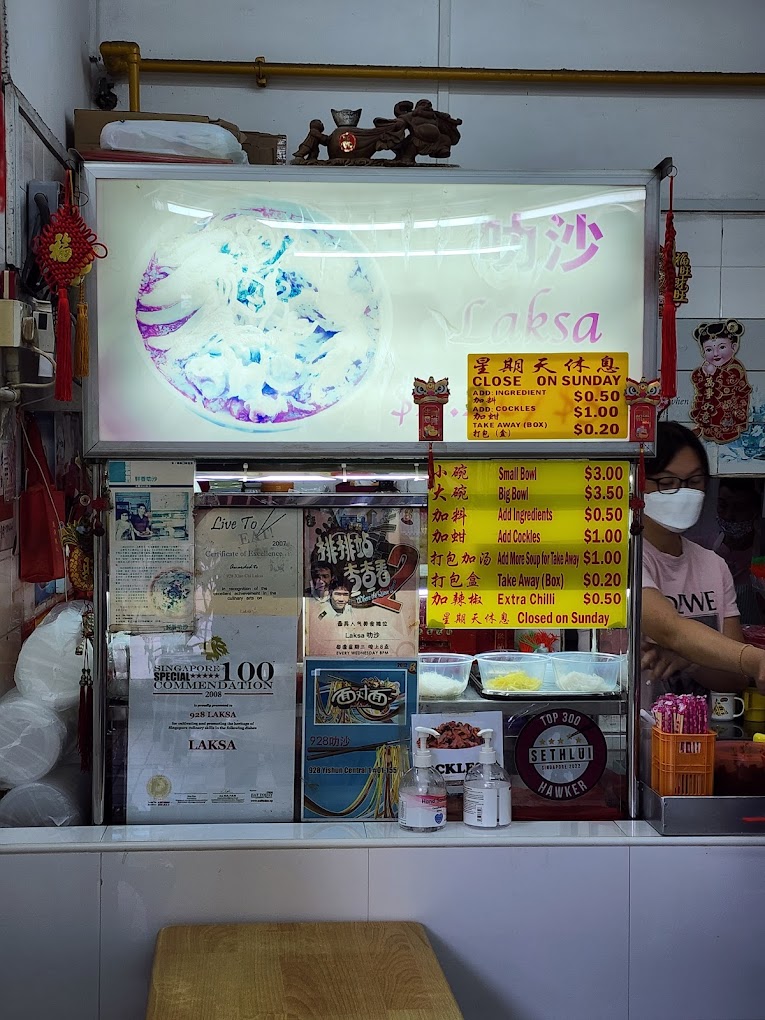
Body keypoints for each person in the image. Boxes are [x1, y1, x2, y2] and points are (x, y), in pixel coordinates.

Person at [640, 422, 765, 701]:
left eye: (694, 482)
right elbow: (670, 629)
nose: (683, 493)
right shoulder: (625, 557)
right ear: (638, 484)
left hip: (701, 731)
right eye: (667, 483)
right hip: (636, 728)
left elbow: (734, 679)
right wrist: (757, 660)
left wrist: (692, 660)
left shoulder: (713, 565)